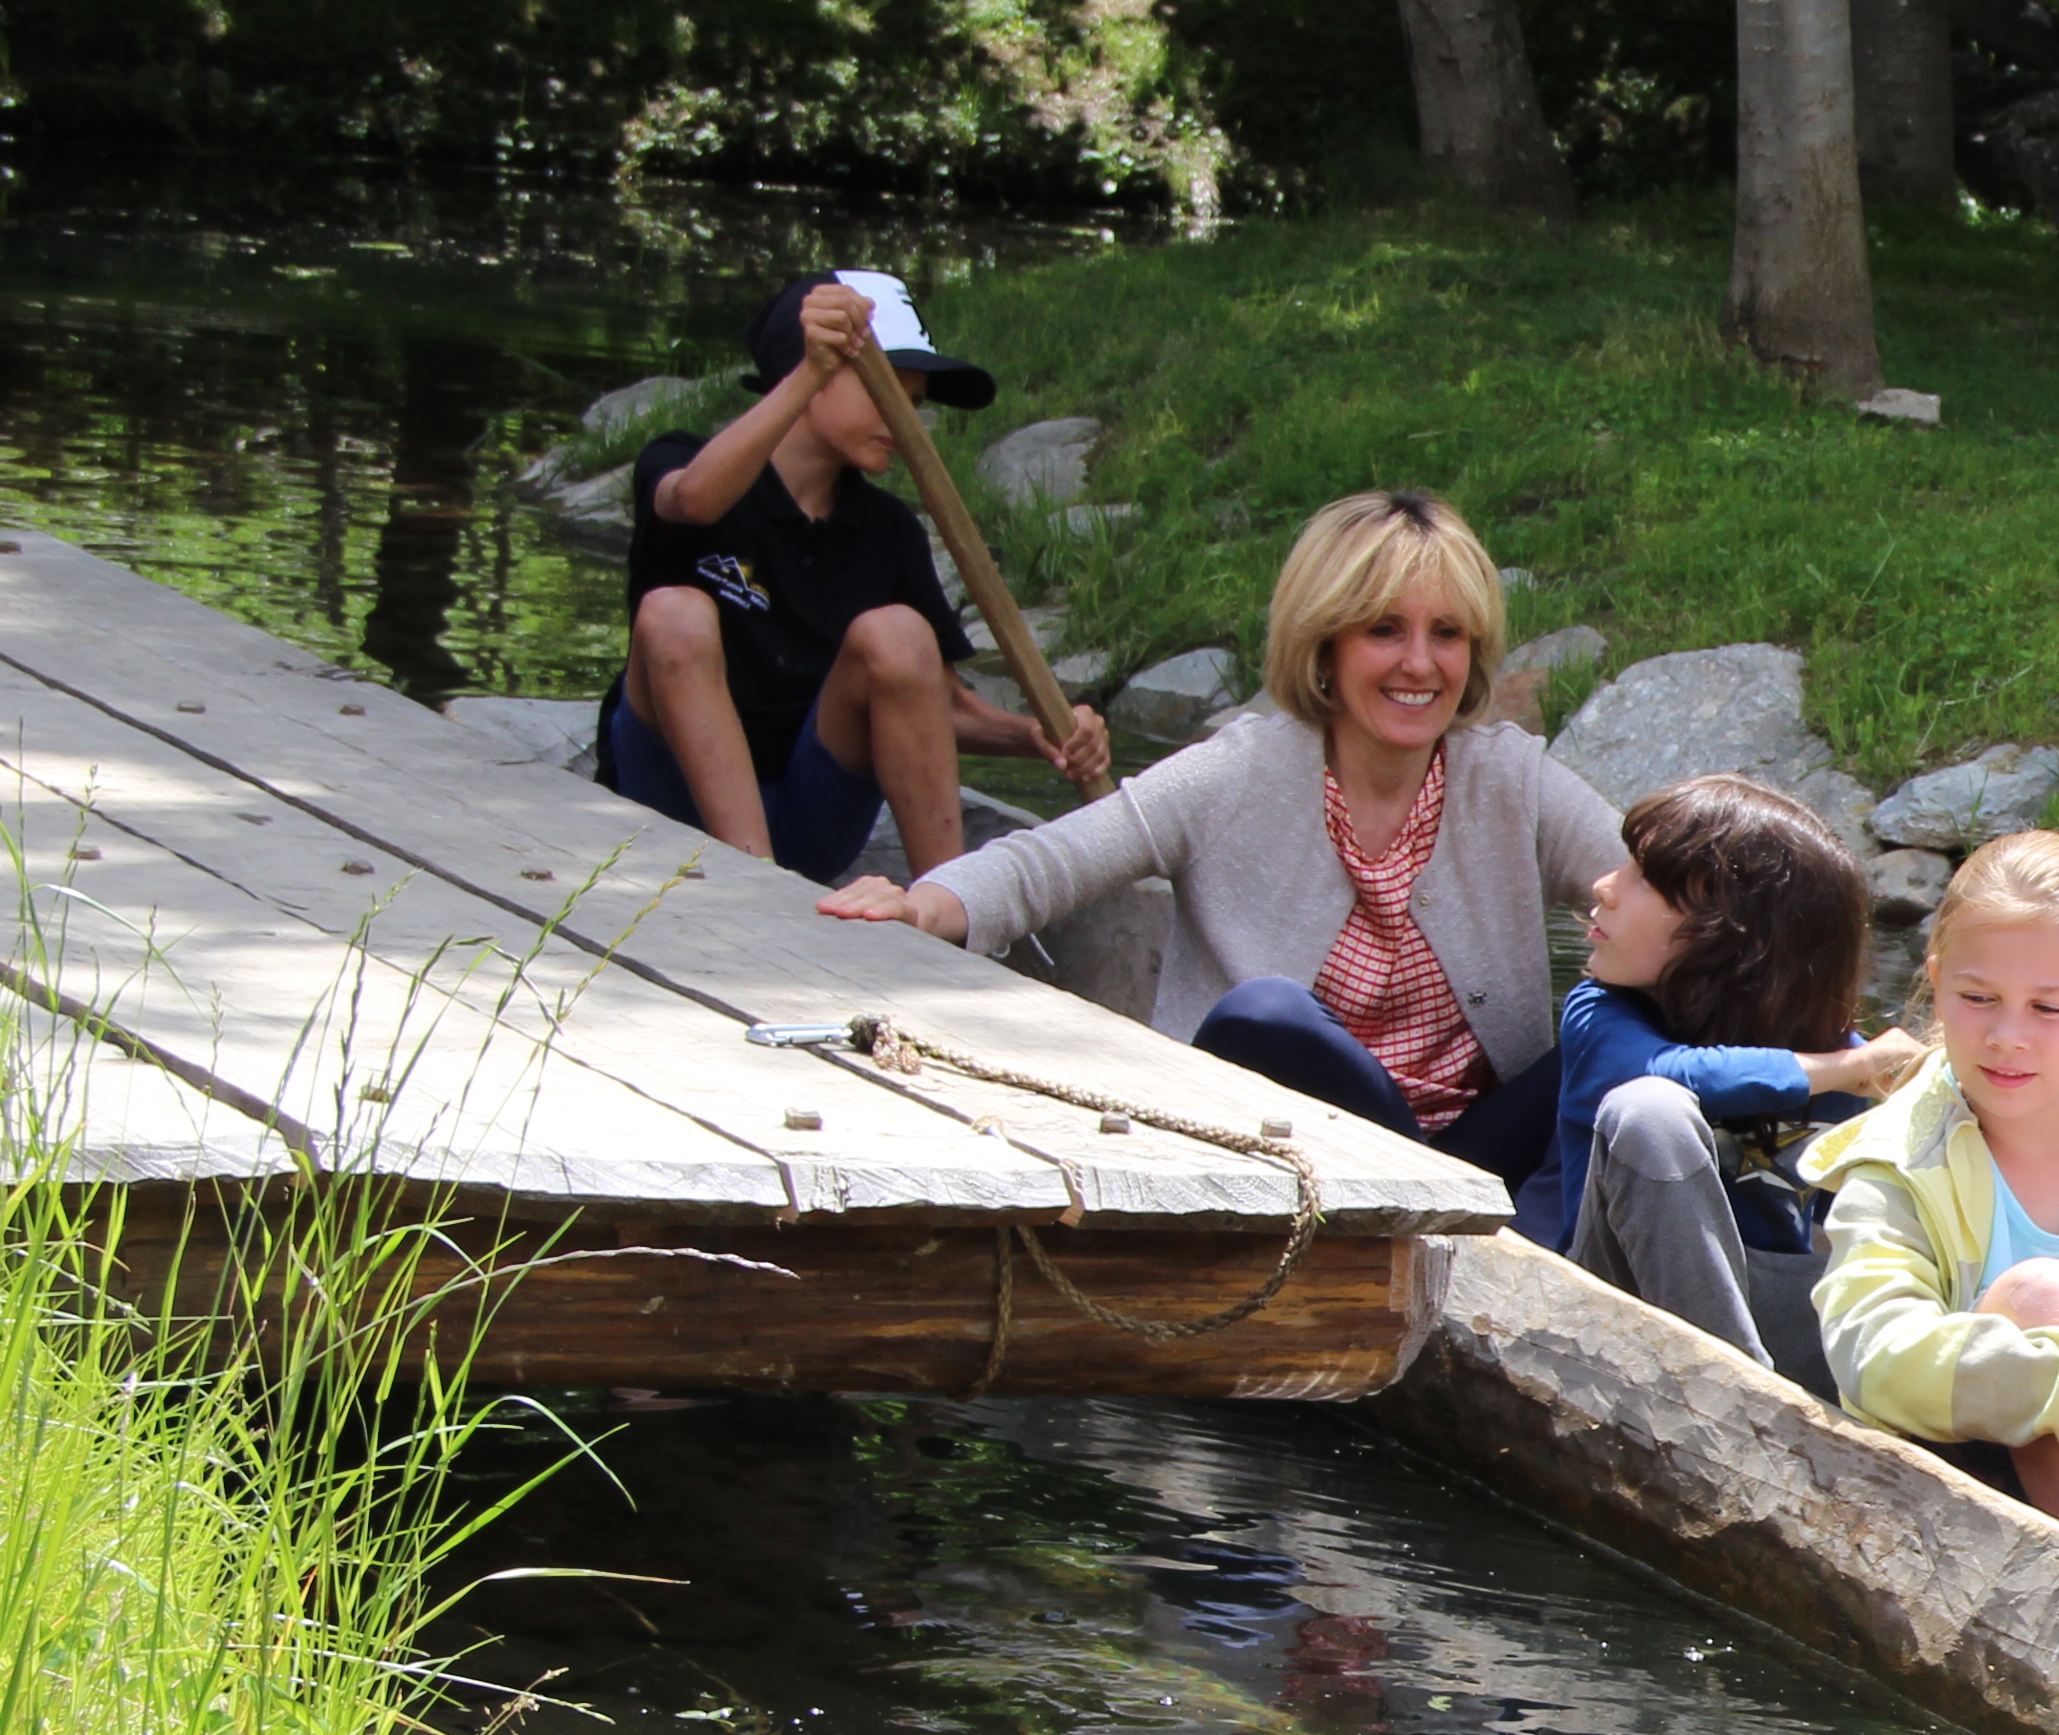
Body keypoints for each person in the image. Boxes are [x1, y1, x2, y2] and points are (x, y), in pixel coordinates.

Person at [819, 489, 1618, 1182]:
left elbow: (1657, 882)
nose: (1420, 664)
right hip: (1284, 1155)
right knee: (1263, 1017)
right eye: (1384, 630)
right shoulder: (1238, 771)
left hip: (1478, 1162)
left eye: (1446, 634)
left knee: (1618, 1023)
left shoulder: (1511, 778)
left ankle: (1452, 1205)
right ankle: (1429, 1205)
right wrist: (925, 907)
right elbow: (1048, 862)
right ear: (1325, 645)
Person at [609, 269, 1107, 883]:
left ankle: (949, 912)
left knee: (899, 635)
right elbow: (693, 503)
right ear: (805, 372)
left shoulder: (887, 530)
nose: (906, 422)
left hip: (809, 810)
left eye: (915, 404)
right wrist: (813, 370)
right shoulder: (681, 456)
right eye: (884, 391)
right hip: (672, 804)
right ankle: (755, 884)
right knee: (673, 616)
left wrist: (1042, 735)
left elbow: (937, 702)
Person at [1803, 830, 2059, 1555]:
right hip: (1968, 1507)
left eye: (2048, 1009)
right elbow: (1873, 1357)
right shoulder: (1896, 1165)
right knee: (2042, 1298)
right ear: (1937, 982)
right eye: (1977, 997)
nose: (2006, 1036)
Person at [1522, 775, 1922, 1372]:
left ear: (1725, 934)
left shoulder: (1840, 1065)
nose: (1603, 887)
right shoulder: (1598, 1010)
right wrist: (1850, 1068)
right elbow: (1676, 1075)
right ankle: (1741, 1393)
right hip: (1610, 1303)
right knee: (1650, 1112)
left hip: (1769, 1308)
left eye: (1641, 880)